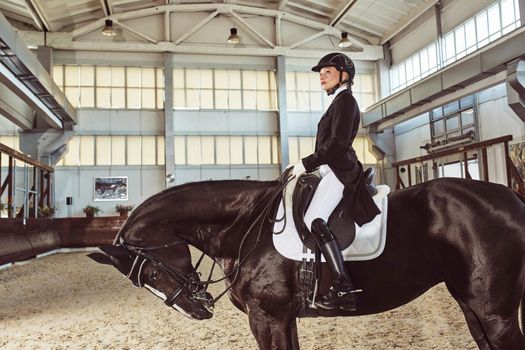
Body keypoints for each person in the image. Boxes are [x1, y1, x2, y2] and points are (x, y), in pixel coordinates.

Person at [292, 52, 381, 311]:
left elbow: (338, 144)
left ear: (344, 75)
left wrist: (307, 163)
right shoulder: (338, 101)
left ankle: (343, 288)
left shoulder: (346, 101)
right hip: (332, 170)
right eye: (320, 73)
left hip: (342, 171)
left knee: (314, 220)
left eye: (327, 72)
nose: (322, 76)